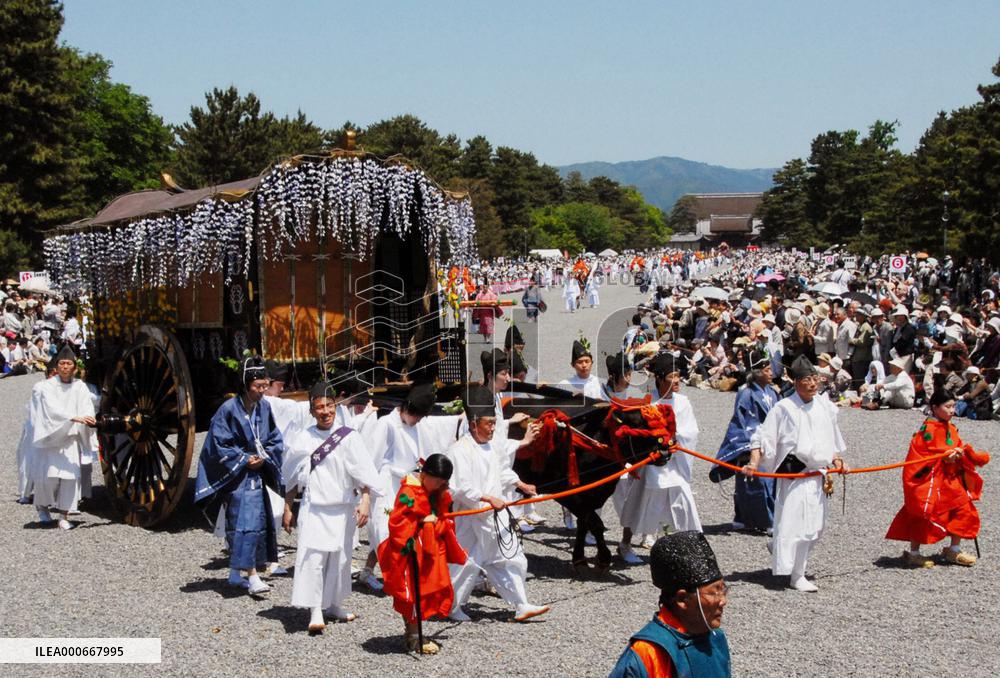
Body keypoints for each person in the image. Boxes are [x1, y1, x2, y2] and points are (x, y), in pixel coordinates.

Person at [282, 381, 383, 633]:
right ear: (312, 411)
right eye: (319, 407)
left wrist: (366, 501)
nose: (325, 411)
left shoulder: (348, 436)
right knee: (314, 559)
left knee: (340, 559)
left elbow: (363, 472)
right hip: (314, 508)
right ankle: (315, 609)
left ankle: (335, 604)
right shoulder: (304, 438)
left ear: (335, 406)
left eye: (329, 406)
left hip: (343, 507)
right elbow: (292, 476)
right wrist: (287, 507)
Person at [445, 386, 549, 623]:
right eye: (489, 423)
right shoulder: (459, 450)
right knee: (466, 565)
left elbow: (502, 470)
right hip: (472, 515)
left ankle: (521, 604)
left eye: (494, 422)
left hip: (496, 515)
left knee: (513, 557)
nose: (493, 427)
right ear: (474, 423)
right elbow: (457, 487)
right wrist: (485, 497)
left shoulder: (492, 447)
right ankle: (450, 606)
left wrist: (521, 484)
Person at [743, 355, 848, 592]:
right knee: (797, 525)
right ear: (795, 381)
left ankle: (783, 549)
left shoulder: (824, 406)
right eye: (806, 380)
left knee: (816, 526)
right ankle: (796, 575)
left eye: (815, 379)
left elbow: (832, 436)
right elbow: (763, 437)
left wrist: (839, 459)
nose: (812, 384)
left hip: (818, 473)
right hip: (795, 474)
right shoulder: (784, 408)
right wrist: (753, 462)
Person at [195, 356, 284, 596]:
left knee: (255, 522)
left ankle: (235, 573)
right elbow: (219, 443)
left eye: (265, 386)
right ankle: (252, 576)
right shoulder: (228, 410)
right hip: (237, 474)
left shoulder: (264, 407)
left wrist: (264, 456)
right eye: (257, 387)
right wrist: (244, 459)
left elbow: (275, 437)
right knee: (245, 524)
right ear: (245, 384)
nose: (262, 391)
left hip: (257, 471)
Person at [885, 386, 990, 567]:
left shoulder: (951, 427)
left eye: (953, 406)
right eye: (948, 407)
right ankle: (914, 552)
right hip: (932, 479)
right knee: (923, 512)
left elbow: (955, 446)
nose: (952, 411)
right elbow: (921, 456)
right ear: (934, 407)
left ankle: (954, 549)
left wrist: (958, 455)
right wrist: (945, 457)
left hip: (950, 478)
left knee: (962, 508)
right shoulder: (926, 430)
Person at [378, 454, 467, 654]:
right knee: (412, 591)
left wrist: (436, 520)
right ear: (424, 474)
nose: (438, 485)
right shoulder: (409, 491)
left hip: (431, 548)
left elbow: (443, 513)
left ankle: (416, 633)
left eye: (442, 482)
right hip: (413, 549)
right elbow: (397, 523)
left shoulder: (437, 490)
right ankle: (413, 636)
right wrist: (422, 523)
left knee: (432, 587)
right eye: (436, 481)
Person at [609, 531, 731, 678]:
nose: (723, 601)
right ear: (682, 599)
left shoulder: (715, 637)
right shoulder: (648, 654)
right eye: (713, 593)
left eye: (723, 590)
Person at [29, 346, 96, 529]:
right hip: (50, 440)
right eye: (62, 363)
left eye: (69, 364)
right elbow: (50, 409)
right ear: (57, 366)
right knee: (47, 478)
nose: (65, 367)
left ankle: (64, 516)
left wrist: (88, 418)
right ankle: (42, 508)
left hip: (70, 438)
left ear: (74, 367)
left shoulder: (79, 386)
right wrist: (71, 417)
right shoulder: (47, 387)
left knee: (70, 477)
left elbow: (86, 405)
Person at [712, 350, 778, 532]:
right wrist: (749, 444)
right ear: (757, 373)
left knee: (769, 482)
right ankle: (754, 519)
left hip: (770, 440)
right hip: (752, 440)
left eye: (771, 369)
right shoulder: (746, 393)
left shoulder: (773, 392)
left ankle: (765, 518)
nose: (771, 373)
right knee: (750, 484)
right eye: (767, 370)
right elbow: (741, 420)